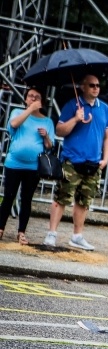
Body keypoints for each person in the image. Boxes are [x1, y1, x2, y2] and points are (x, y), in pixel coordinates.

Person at [43, 74, 108, 251]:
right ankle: (52, 233)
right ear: (83, 87)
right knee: (62, 198)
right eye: (92, 85)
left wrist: (105, 158)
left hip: (93, 163)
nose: (96, 88)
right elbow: (59, 131)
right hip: (73, 160)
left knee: (84, 201)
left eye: (98, 85)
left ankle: (77, 236)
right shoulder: (72, 105)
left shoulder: (104, 108)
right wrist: (75, 118)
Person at [0, 86, 54, 245]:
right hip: (14, 163)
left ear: (42, 102)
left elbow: (50, 146)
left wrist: (46, 137)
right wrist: (29, 109)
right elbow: (14, 124)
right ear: (25, 99)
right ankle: (1, 227)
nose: (33, 99)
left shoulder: (47, 121)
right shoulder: (18, 112)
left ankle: (21, 232)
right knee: (8, 196)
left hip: (33, 166)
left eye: (37, 97)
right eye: (30, 96)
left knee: (26, 199)